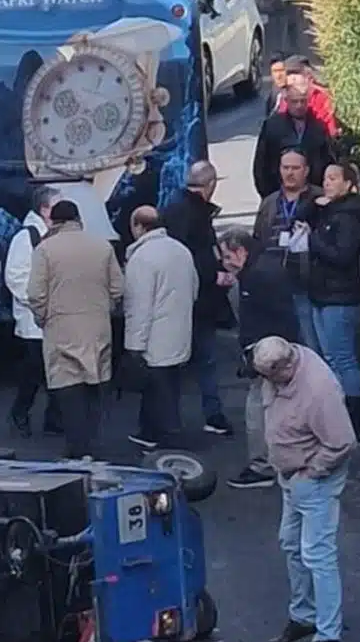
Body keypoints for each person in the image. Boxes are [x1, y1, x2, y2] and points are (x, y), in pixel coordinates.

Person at [253, 336, 356, 642]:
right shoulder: (280, 364)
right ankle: (304, 617)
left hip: (312, 478)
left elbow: (341, 442)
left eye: (270, 377)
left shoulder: (318, 392)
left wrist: (312, 472)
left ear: (286, 367)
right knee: (292, 544)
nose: (266, 384)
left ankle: (328, 639)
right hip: (293, 476)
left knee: (317, 554)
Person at [27, 200, 124, 459]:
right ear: (78, 218)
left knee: (68, 388)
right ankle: (93, 444)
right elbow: (117, 288)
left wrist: (43, 318)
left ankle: (77, 448)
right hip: (98, 326)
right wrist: (105, 308)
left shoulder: (45, 250)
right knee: (95, 384)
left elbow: (35, 294)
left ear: (55, 222)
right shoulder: (102, 247)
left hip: (62, 327)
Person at [218, 228, 300, 489]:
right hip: (277, 349)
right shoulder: (265, 268)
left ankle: (262, 465)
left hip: (267, 353)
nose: (225, 263)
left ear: (241, 252)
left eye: (227, 256)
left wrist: (255, 358)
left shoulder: (256, 277)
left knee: (256, 410)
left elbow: (258, 321)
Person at [162, 161, 236, 436]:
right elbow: (198, 254)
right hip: (200, 299)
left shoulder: (174, 208)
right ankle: (212, 414)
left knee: (174, 362)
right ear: (211, 185)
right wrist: (214, 275)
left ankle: (168, 420)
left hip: (178, 298)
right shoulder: (195, 214)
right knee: (204, 360)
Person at [299, 163, 360, 441]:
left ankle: (353, 421)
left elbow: (342, 256)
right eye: (325, 177)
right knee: (330, 358)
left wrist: (313, 239)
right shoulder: (330, 210)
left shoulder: (350, 217)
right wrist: (316, 205)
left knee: (343, 359)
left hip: (339, 296)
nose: (326, 183)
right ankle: (337, 416)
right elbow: (302, 217)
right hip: (322, 292)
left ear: (349, 184)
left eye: (333, 178)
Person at [122, 206, 199, 450]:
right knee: (169, 387)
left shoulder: (142, 258)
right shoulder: (182, 251)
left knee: (158, 389)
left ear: (137, 226)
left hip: (155, 337)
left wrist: (134, 345)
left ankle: (166, 438)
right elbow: (194, 290)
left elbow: (138, 306)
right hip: (180, 332)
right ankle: (149, 431)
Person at [252, 147, 322, 351]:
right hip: (273, 284)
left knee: (309, 341)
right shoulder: (270, 203)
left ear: (306, 170)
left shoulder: (318, 200)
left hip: (306, 282)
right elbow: (258, 240)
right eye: (285, 167)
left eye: (295, 168)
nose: (289, 173)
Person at [6, 185, 62, 438]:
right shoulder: (26, 238)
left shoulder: (55, 235)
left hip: (54, 315)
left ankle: (54, 417)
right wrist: (39, 302)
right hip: (33, 318)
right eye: (57, 206)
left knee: (55, 369)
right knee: (35, 370)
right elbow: (15, 276)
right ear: (44, 209)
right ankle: (20, 412)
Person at [253, 76, 334, 200]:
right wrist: (268, 195)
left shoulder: (318, 128)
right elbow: (261, 163)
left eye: (303, 101)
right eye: (294, 101)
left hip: (311, 194)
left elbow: (327, 161)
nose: (299, 105)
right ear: (287, 101)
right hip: (278, 192)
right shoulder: (272, 126)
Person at [278, 56, 339, 137]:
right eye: (288, 74)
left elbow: (330, 131)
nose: (291, 78)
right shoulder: (284, 98)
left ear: (309, 78)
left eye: (295, 74)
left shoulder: (321, 98)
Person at [264, 53, 288, 118]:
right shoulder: (273, 93)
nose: (278, 76)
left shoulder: (296, 93)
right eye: (275, 71)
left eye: (281, 70)